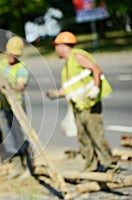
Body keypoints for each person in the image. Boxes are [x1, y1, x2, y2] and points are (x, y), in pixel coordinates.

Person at [46, 31, 118, 172]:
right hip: (79, 106)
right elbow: (70, 88)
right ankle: (91, 165)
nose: (55, 49)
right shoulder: (66, 66)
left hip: (90, 104)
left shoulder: (77, 55)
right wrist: (56, 93)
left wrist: (96, 88)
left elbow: (96, 69)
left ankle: (110, 165)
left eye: (56, 46)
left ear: (62, 46)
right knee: (83, 137)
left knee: (96, 135)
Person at [0, 36, 30, 178]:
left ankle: (29, 166)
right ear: (7, 52)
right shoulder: (1, 65)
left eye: (16, 55)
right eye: (11, 54)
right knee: (9, 137)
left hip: (17, 107)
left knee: (20, 135)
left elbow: (21, 86)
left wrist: (10, 86)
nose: (13, 57)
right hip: (4, 107)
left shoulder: (22, 68)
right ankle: (17, 166)